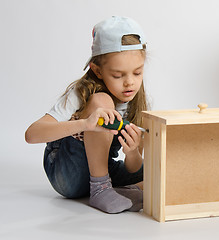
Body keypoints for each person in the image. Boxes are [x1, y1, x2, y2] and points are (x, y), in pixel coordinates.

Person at [25, 16, 147, 214]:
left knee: (153, 177)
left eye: (137, 73)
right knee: (102, 102)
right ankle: (101, 190)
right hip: (68, 175)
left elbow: (134, 167)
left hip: (104, 170)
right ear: (97, 70)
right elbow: (31, 135)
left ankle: (115, 190)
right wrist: (85, 124)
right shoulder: (81, 93)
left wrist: (132, 151)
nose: (129, 83)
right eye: (118, 75)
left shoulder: (136, 102)